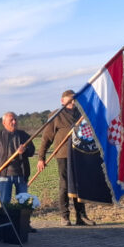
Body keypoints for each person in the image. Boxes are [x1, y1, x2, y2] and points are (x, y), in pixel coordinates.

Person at [37, 90, 93, 226]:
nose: (73, 101)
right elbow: (46, 138)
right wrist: (41, 157)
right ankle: (64, 216)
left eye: (74, 99)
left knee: (80, 185)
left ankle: (81, 216)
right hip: (63, 155)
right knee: (65, 185)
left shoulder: (81, 114)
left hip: (79, 154)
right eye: (70, 99)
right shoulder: (56, 115)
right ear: (62, 101)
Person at [0, 112, 36, 225]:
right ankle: (5, 226)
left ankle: (24, 225)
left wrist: (25, 150)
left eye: (15, 119)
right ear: (4, 123)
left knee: (23, 202)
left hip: (21, 175)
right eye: (11, 120)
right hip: (4, 175)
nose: (14, 122)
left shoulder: (23, 135)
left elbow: (32, 151)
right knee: (5, 203)